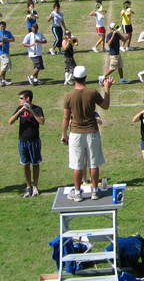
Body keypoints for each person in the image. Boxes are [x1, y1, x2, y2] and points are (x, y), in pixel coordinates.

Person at [61, 66, 113, 202]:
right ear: (85, 77)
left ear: (74, 77)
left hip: (76, 134)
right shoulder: (92, 92)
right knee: (94, 163)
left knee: (77, 165)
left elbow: (66, 118)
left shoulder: (69, 96)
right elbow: (106, 105)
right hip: (92, 132)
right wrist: (107, 88)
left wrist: (64, 135)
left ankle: (78, 193)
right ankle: (95, 191)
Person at [9, 90, 45, 197]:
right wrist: (20, 111)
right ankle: (28, 186)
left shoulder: (37, 109)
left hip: (34, 141)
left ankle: (35, 186)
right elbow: (10, 121)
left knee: (35, 163)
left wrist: (31, 111)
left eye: (21, 98)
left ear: (27, 99)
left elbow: (42, 122)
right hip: (22, 141)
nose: (19, 100)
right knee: (25, 164)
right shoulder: (19, 109)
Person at [0, 20, 15, 86]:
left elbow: (13, 39)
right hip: (0, 52)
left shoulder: (7, 32)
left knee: (5, 66)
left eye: (3, 27)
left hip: (6, 51)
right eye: (1, 26)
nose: (2, 28)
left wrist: (6, 40)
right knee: (6, 63)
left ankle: (3, 80)